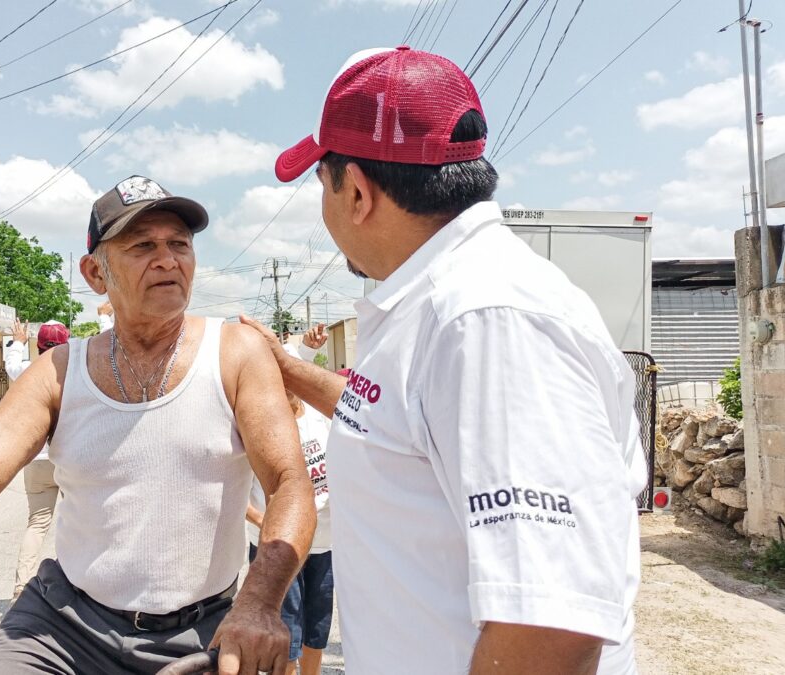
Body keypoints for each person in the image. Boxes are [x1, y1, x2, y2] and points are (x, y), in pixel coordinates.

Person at [0, 175, 315, 675]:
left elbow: (289, 483)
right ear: (96, 274)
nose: (167, 259)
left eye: (179, 243)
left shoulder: (235, 354)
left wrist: (259, 603)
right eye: (142, 246)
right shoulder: (58, 372)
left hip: (206, 628)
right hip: (63, 628)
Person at [241, 47, 646, 674]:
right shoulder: (433, 305)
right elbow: (388, 419)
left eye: (321, 185)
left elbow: (549, 623)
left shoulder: (488, 322)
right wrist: (288, 367)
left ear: (356, 191)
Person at [246, 350, 333, 675]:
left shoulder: (316, 418)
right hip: (279, 546)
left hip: (323, 543)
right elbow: (238, 496)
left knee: (317, 630)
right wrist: (268, 522)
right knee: (287, 633)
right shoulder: (258, 426)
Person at [4, 318, 70, 600]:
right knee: (80, 520)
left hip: (37, 460)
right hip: (68, 459)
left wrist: (18, 341)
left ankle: (21, 588)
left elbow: (10, 365)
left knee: (38, 523)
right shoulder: (72, 372)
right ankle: (77, 586)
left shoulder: (27, 371)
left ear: (38, 345)